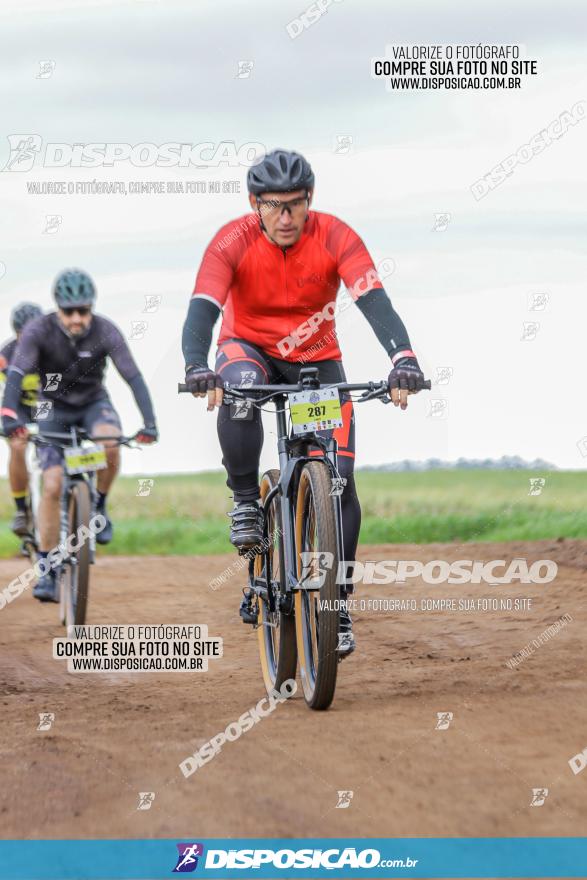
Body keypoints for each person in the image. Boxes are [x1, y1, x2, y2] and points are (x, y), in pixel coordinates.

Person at [181, 149, 427, 655]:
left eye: (296, 204)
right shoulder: (231, 241)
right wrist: (195, 366)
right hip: (246, 350)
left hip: (317, 361)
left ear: (309, 200)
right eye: (274, 206)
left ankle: (338, 604)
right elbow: (202, 311)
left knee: (339, 483)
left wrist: (403, 358)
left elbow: (373, 301)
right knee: (243, 389)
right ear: (255, 204)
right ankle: (248, 501)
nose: (287, 217)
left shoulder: (336, 235)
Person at [1, 269, 158, 602]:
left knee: (111, 444)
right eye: (69, 311)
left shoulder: (105, 330)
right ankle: (45, 569)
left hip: (93, 403)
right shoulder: (39, 331)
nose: (76, 318)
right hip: (52, 409)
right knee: (53, 483)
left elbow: (133, 377)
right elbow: (15, 375)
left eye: (83, 310)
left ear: (91, 307)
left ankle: (98, 505)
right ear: (57, 308)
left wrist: (149, 423)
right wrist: (9, 414)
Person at [0, 303, 44, 536]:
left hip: (48, 406)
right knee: (17, 446)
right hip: (18, 407)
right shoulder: (5, 356)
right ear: (17, 333)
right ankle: (21, 510)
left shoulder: (54, 350)